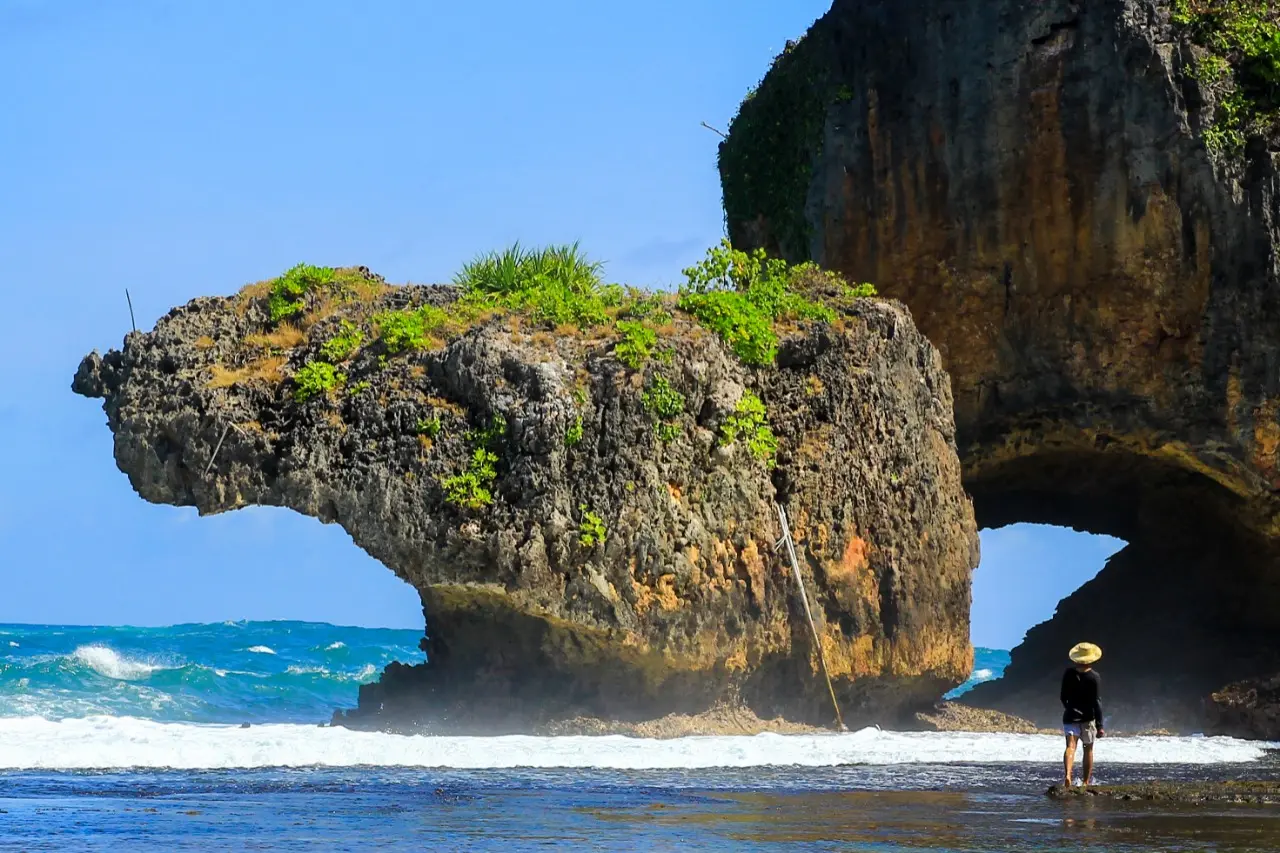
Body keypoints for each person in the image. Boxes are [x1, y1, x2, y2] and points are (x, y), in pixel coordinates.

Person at [1061, 642, 1104, 787]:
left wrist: (1070, 708)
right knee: (1088, 749)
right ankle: (1085, 782)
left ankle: (1067, 775)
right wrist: (1100, 725)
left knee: (1070, 746)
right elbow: (1096, 702)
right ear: (1092, 659)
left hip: (1070, 716)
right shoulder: (1094, 677)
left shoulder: (1068, 673)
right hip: (1088, 718)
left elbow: (1063, 696)